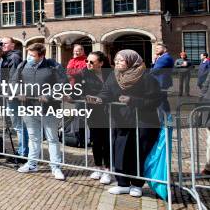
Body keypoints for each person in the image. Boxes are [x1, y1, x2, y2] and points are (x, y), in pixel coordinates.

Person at [92, 49, 161, 197]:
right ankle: (122, 183)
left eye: (121, 60)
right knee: (120, 151)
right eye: (116, 60)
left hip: (143, 121)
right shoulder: (113, 76)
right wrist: (99, 99)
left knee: (137, 153)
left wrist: (133, 100)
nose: (117, 62)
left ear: (131, 61)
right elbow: (106, 92)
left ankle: (137, 184)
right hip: (121, 120)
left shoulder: (146, 77)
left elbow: (155, 100)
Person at [13, 42, 68, 181]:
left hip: (49, 109)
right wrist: (19, 92)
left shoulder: (53, 65)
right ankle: (32, 164)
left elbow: (63, 83)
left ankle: (55, 167)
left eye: (32, 55)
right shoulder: (23, 65)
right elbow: (13, 82)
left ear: (41, 55)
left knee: (52, 139)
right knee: (33, 138)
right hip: (29, 108)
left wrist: (49, 95)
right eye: (28, 54)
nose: (29, 57)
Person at [74, 51, 112, 184]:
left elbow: (114, 91)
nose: (88, 64)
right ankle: (98, 167)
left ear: (101, 63)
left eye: (91, 62)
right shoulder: (83, 74)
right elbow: (77, 91)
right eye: (87, 61)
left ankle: (108, 169)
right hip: (94, 112)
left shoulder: (110, 73)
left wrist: (101, 98)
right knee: (96, 140)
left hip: (110, 112)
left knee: (108, 141)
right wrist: (84, 98)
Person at [0, 37, 26, 158]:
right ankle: (22, 150)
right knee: (17, 125)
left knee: (19, 125)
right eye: (1, 43)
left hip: (13, 95)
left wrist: (9, 93)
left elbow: (14, 77)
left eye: (5, 43)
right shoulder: (4, 58)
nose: (2, 45)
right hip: (9, 94)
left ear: (12, 45)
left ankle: (23, 152)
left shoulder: (14, 57)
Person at [150, 43, 174, 115]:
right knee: (163, 101)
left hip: (161, 83)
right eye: (156, 48)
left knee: (161, 103)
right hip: (160, 82)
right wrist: (154, 61)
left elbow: (154, 71)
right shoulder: (161, 58)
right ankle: (168, 121)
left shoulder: (165, 58)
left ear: (165, 49)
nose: (156, 50)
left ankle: (163, 122)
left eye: (158, 48)